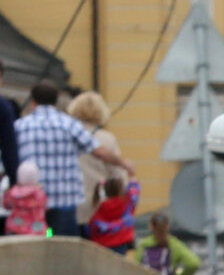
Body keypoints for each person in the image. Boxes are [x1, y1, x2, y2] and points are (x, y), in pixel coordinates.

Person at [14, 81, 134, 240]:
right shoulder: (69, 125)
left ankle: (45, 248)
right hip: (64, 201)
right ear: (56, 102)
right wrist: (124, 164)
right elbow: (99, 151)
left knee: (40, 242)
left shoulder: (20, 126)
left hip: (32, 204)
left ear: (33, 101)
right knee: (64, 248)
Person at [66, 91, 130, 229]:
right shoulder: (107, 139)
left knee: (56, 239)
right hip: (97, 208)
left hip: (68, 206)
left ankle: (49, 237)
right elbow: (118, 175)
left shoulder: (65, 134)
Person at [137, 212, 201, 275]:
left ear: (150, 226)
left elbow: (136, 266)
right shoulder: (175, 244)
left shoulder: (144, 244)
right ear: (168, 226)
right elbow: (193, 263)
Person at [85, 174, 135, 254]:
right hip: (121, 244)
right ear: (121, 190)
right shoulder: (127, 205)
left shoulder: (101, 208)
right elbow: (134, 191)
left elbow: (91, 228)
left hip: (102, 246)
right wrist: (132, 178)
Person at [4, 162, 47, 237]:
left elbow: (6, 205)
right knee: (49, 232)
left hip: (16, 227)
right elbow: (45, 206)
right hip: (37, 229)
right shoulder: (39, 193)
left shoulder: (13, 193)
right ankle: (48, 241)